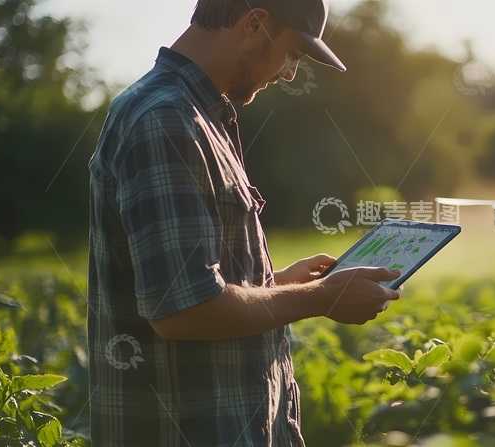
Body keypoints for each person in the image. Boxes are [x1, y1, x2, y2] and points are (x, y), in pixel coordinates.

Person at [87, 0, 402, 445]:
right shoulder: (165, 119)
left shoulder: (199, 115)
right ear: (255, 24)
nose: (290, 73)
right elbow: (182, 310)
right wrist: (318, 298)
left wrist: (277, 284)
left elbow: (198, 277)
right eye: (293, 53)